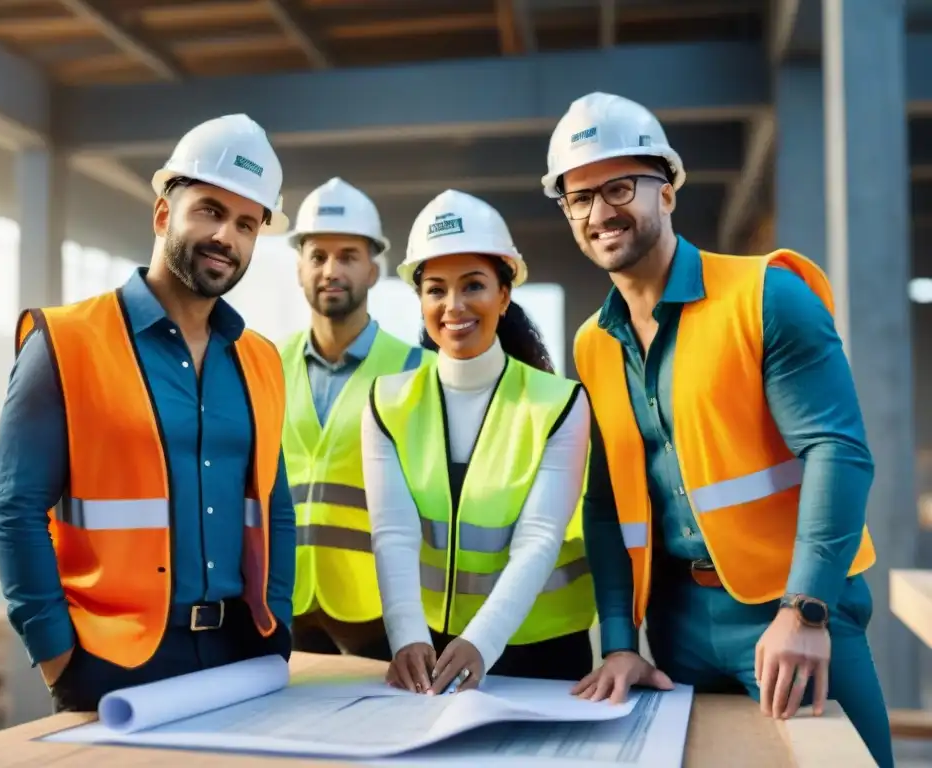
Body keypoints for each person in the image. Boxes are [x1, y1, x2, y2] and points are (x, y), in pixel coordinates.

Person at [544, 92, 893, 766]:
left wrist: (807, 610)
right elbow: (607, 503)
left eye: (619, 188)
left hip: (792, 613)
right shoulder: (593, 343)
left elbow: (837, 452)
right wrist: (621, 639)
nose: (599, 212)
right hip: (678, 631)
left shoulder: (765, 296)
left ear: (667, 192)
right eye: (578, 198)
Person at [0, 114, 298, 713]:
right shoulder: (66, 342)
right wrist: (58, 656)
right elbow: (11, 511)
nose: (226, 237)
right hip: (112, 659)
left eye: (246, 224)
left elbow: (274, 507)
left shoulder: (260, 359)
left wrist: (276, 625)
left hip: (242, 653)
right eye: (209, 210)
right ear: (163, 215)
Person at [361, 189, 596, 694]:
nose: (454, 306)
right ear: (419, 298)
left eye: (474, 286)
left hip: (543, 650)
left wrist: (481, 643)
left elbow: (539, 538)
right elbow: (393, 534)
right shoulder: (387, 401)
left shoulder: (559, 403)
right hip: (427, 649)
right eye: (436, 289)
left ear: (504, 295)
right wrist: (405, 637)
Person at [281, 177, 433, 661]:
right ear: (300, 267)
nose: (331, 269)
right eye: (318, 256)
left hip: (382, 611)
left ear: (373, 270)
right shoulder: (265, 365)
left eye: (347, 256)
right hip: (287, 605)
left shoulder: (418, 371)